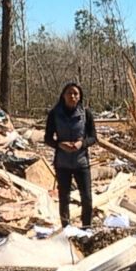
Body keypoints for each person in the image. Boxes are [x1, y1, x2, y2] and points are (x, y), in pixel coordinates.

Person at [45, 82, 97, 228]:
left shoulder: (86, 114)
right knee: (64, 198)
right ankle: (66, 229)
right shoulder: (54, 114)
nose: (72, 96)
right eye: (69, 93)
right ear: (63, 95)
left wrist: (82, 144)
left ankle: (86, 228)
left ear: (80, 96)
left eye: (76, 94)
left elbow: (93, 137)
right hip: (62, 163)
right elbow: (47, 138)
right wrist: (60, 144)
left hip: (81, 163)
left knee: (86, 198)